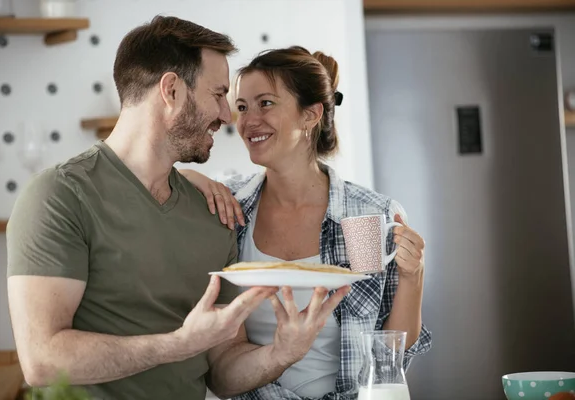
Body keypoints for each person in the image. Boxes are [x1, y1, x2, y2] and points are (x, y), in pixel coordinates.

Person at [6, 17, 349, 400]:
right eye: (218, 95)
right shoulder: (60, 195)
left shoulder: (215, 211)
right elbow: (41, 360)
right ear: (171, 90)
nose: (226, 115)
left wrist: (281, 354)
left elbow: (223, 368)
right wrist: (178, 344)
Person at [180, 46, 433, 399]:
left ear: (311, 114)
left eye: (265, 103)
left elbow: (390, 354)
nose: (248, 121)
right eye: (241, 107)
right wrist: (185, 177)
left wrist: (412, 275)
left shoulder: (366, 215)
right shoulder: (228, 210)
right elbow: (220, 371)